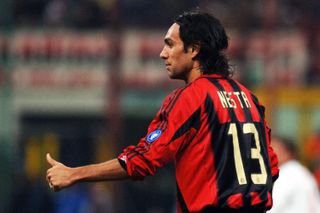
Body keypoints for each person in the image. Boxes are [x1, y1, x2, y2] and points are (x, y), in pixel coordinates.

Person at [46, 11, 279, 213]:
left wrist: (74, 174)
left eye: (170, 44)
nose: (162, 54)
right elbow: (272, 166)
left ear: (194, 49)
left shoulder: (190, 98)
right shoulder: (249, 99)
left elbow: (143, 160)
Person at [268, 136, 320, 213]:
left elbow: (270, 208)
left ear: (287, 152)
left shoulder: (288, 174)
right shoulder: (298, 171)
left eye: (272, 148)